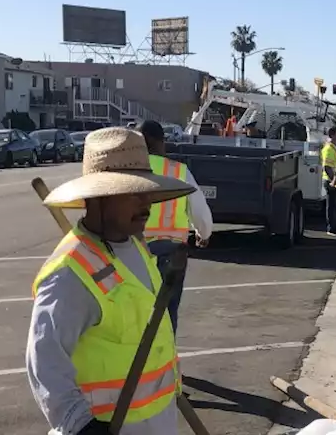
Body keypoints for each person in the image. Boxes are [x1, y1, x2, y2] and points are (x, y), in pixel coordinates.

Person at [26, 127, 194, 434]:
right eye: (132, 193)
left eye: (147, 190)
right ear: (98, 199)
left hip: (159, 420)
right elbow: (45, 361)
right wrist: (80, 424)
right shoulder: (69, 274)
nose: (146, 204)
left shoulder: (137, 245)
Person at [138, 120, 213, 333]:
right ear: (161, 142)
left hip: (136, 250)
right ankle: (165, 359)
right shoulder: (179, 171)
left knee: (137, 309)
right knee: (167, 312)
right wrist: (203, 234)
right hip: (171, 252)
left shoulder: (131, 171)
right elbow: (199, 209)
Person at [320, 126, 336, 235]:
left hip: (335, 180)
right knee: (332, 205)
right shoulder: (329, 148)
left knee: (335, 205)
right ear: (332, 135)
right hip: (330, 180)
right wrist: (334, 181)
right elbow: (327, 167)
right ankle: (332, 228)